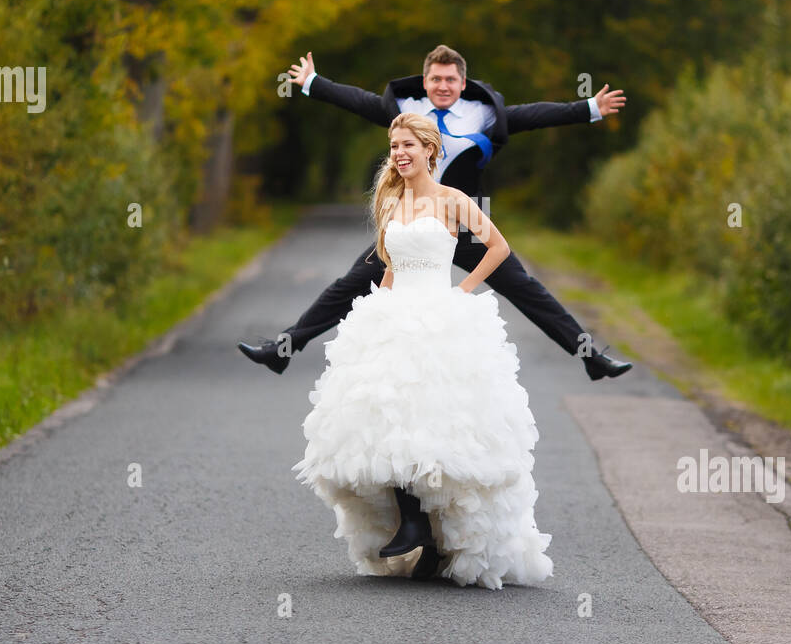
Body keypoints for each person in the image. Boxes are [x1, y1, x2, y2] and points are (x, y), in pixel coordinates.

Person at [239, 44, 633, 382]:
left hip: (465, 223)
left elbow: (536, 114)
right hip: (413, 227)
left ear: (463, 83)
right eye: (436, 79)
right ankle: (283, 349)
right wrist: (312, 82)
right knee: (348, 285)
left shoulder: (482, 114)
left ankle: (591, 358)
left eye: (451, 80)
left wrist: (589, 108)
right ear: (424, 81)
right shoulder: (407, 113)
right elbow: (356, 100)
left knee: (526, 288)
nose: (443, 86)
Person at [292, 112, 553, 589]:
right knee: (387, 420)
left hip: (440, 315)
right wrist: (379, 309)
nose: (399, 153)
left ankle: (432, 534)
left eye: (408, 145)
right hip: (396, 315)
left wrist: (464, 290)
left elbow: (498, 248)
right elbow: (390, 267)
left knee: (435, 426)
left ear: (430, 150)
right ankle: (412, 526)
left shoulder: (452, 201)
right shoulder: (391, 202)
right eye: (394, 146)